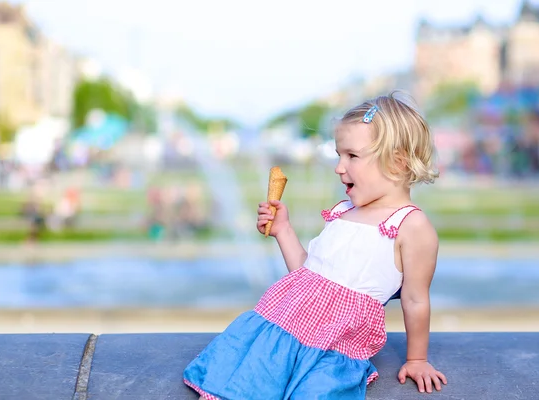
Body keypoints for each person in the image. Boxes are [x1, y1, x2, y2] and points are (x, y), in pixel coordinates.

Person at [183, 91, 447, 399]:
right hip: (282, 330)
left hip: (333, 347)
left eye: (352, 156)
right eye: (338, 155)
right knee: (240, 383)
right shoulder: (343, 213)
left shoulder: (410, 226)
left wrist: (416, 359)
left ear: (398, 163)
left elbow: (415, 300)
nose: (339, 167)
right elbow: (308, 277)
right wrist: (283, 230)